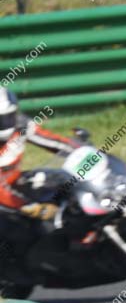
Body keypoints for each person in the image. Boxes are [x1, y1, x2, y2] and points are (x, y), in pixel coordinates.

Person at [0, 88, 78, 220]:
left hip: (16, 182)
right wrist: (30, 206)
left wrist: (81, 150)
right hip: (4, 201)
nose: (4, 124)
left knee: (63, 186)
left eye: (7, 118)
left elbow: (53, 142)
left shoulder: (21, 126)